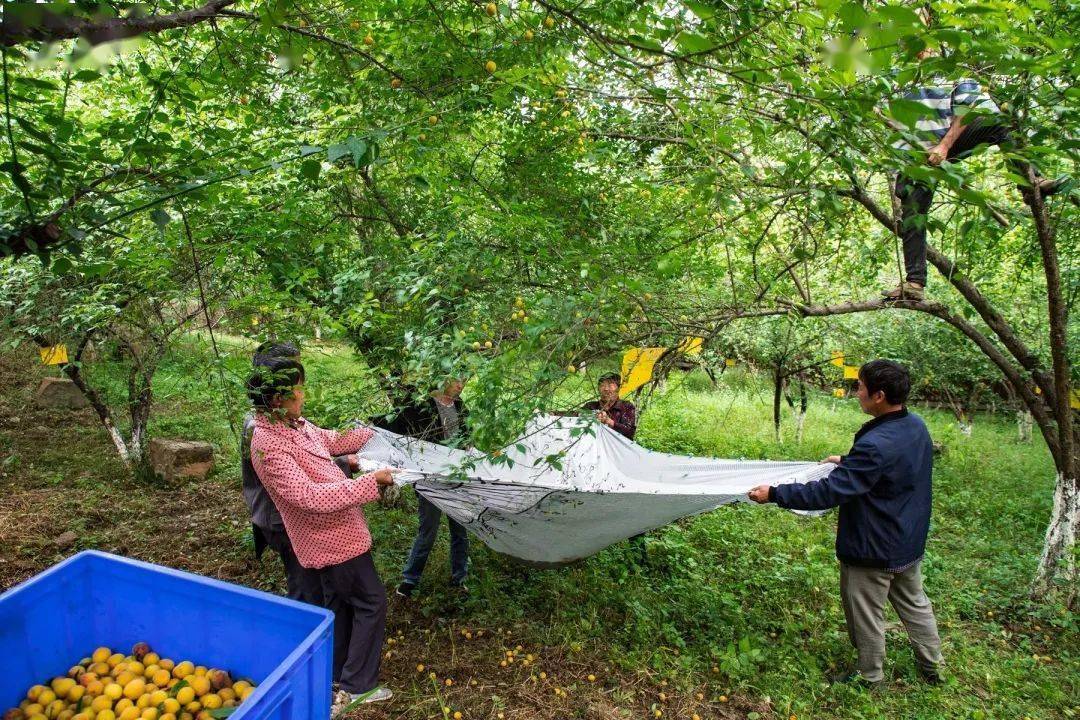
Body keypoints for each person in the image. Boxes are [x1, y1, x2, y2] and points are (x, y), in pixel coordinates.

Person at [748, 360, 943, 687]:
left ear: (879, 395)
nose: (857, 392)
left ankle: (869, 677)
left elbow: (830, 492)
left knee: (866, 614)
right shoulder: (915, 425)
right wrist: (850, 463)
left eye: (861, 387)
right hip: (908, 538)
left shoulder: (875, 445)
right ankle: (933, 665)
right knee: (915, 604)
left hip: (874, 545)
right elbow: (894, 468)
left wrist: (776, 494)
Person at [248, 356, 397, 706]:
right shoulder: (267, 443)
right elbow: (306, 496)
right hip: (330, 539)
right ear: (276, 398)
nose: (303, 394)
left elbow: (330, 440)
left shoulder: (294, 425)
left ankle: (335, 674)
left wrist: (377, 433)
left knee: (341, 604)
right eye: (298, 388)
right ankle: (359, 687)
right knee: (371, 601)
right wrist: (367, 484)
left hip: (338, 533)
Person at [882, 53, 1069, 301]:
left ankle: (1032, 182)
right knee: (912, 210)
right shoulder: (894, 79)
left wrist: (945, 146)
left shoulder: (952, 68)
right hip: (918, 155)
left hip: (952, 139)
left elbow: (969, 109)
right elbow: (892, 129)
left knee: (998, 122)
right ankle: (914, 284)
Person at [241, 341, 357, 606]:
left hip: (286, 516)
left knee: (317, 585)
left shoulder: (281, 418)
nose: (301, 390)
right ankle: (308, 639)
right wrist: (345, 465)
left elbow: (316, 446)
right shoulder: (262, 428)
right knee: (306, 590)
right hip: (281, 518)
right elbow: (293, 483)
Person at [379, 379, 471, 598]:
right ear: (445, 380)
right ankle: (410, 579)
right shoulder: (422, 407)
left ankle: (460, 578)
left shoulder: (461, 407)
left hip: (456, 479)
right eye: (458, 381)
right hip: (429, 480)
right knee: (428, 531)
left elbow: (468, 435)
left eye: (464, 381)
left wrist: (468, 446)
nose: (461, 386)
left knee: (460, 530)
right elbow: (394, 427)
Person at [584, 373, 637, 441]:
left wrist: (610, 422)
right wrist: (590, 415)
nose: (606, 389)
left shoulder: (626, 406)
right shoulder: (591, 406)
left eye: (610, 385)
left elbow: (630, 432)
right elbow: (573, 417)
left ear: (618, 389)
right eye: (602, 385)